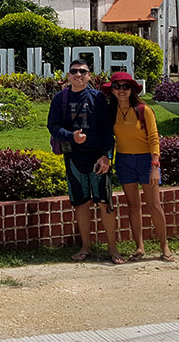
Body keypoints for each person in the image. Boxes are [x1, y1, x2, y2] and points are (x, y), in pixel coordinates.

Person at [47, 59, 124, 264]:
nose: (78, 75)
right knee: (80, 204)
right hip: (74, 157)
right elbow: (52, 126)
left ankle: (113, 249)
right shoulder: (60, 99)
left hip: (98, 157)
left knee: (104, 203)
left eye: (83, 71)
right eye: (74, 71)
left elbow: (108, 129)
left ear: (89, 75)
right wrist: (71, 136)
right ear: (68, 75)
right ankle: (85, 247)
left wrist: (107, 156)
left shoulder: (98, 98)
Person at [102, 71, 174, 262]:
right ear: (112, 90)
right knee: (133, 206)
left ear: (132, 89)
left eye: (126, 86)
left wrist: (155, 165)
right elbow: (109, 138)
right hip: (124, 161)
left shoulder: (144, 110)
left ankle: (164, 245)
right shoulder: (110, 111)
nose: (122, 90)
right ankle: (139, 246)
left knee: (154, 205)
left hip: (145, 160)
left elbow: (154, 138)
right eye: (117, 86)